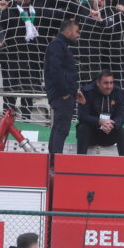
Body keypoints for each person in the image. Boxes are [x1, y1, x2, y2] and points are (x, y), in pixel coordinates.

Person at [43, 19, 81, 154]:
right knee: (61, 128)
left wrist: (74, 91)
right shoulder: (57, 45)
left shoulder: (60, 45)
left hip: (63, 94)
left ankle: (53, 161)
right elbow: (55, 70)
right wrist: (65, 92)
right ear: (68, 31)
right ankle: (55, 162)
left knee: (59, 127)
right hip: (61, 95)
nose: (78, 35)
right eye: (77, 31)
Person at [76, 71, 124, 155]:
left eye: (111, 83)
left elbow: (121, 117)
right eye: (105, 83)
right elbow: (82, 116)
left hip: (108, 132)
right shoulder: (86, 91)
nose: (109, 86)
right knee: (83, 128)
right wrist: (100, 122)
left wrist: (111, 124)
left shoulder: (119, 92)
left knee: (121, 131)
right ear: (98, 83)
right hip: (91, 134)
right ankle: (79, 162)